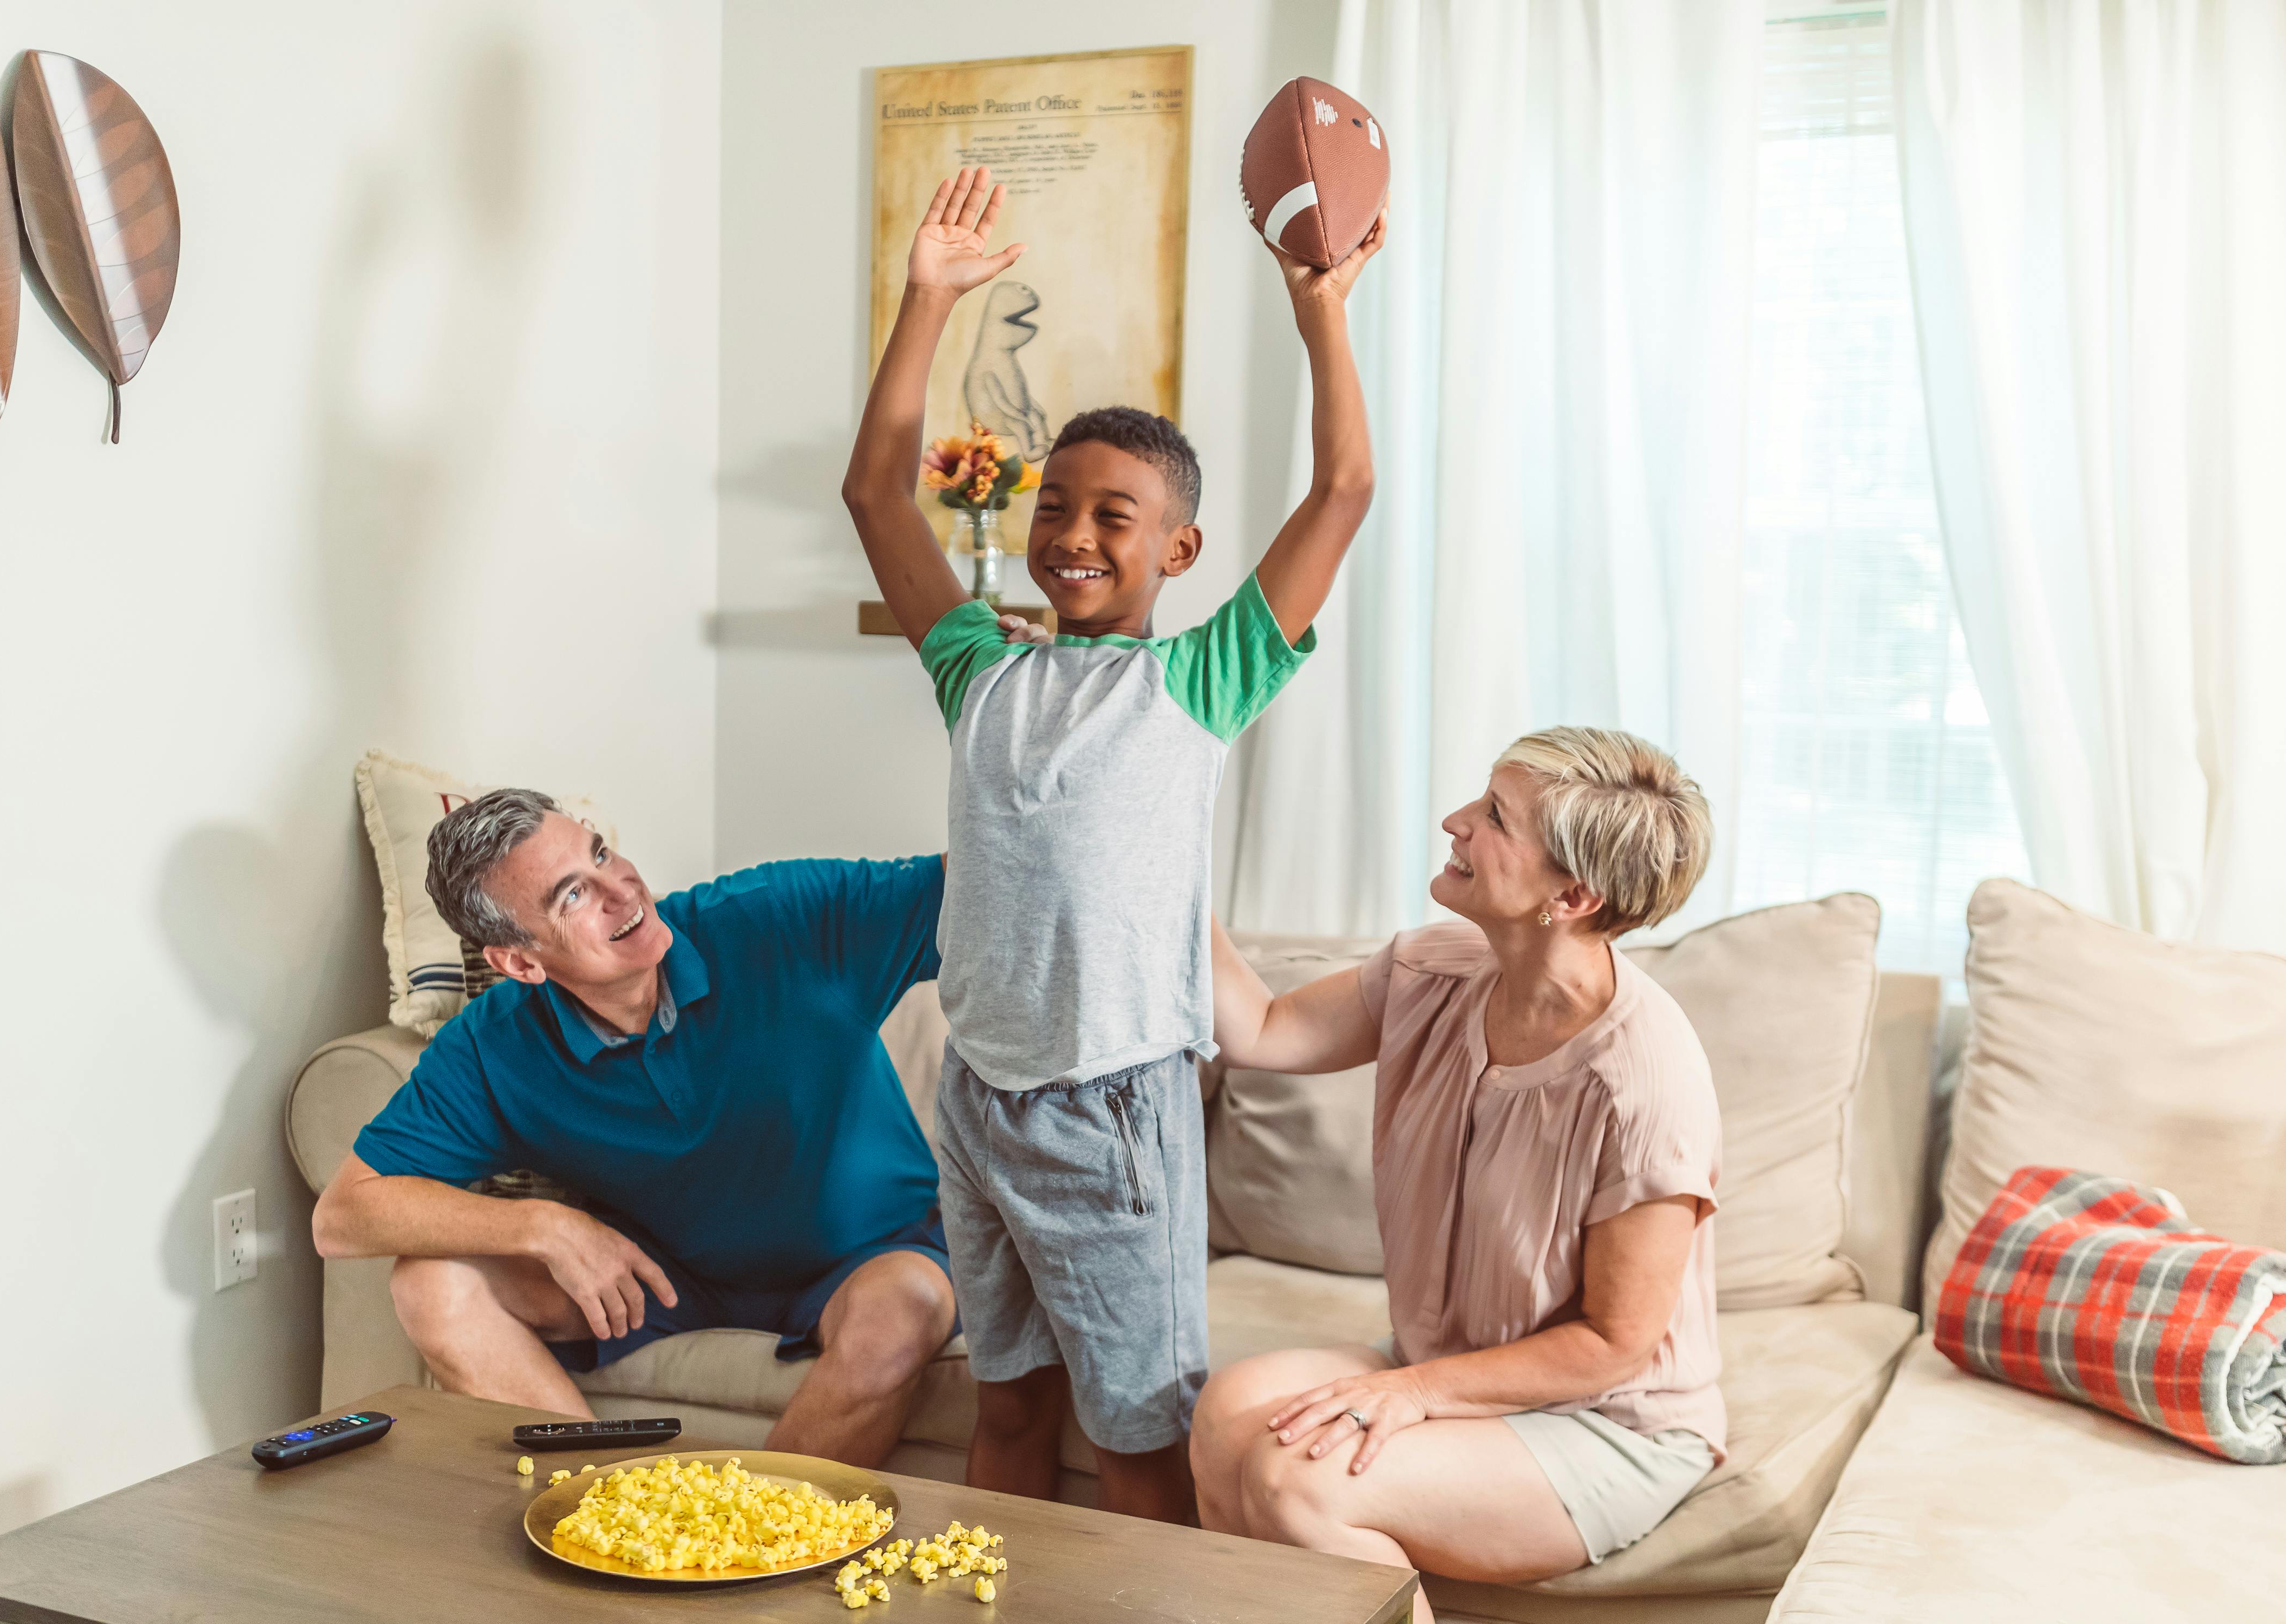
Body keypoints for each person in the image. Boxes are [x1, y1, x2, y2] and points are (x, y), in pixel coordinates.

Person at [840, 165, 1383, 1521]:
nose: (1072, 535)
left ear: (1179, 548)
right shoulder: (977, 665)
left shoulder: (1198, 682)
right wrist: (925, 301)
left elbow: (1342, 488)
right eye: (1054, 507)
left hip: (1110, 1106)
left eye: (1111, 517)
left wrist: (1318, 310)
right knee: (1008, 1402)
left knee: (1137, 1431)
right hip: (975, 1092)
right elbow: (871, 495)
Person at [1189, 728, 1722, 1621]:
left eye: (1493, 818)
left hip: (1606, 1421)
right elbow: (1261, 1031)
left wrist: (1415, 1392)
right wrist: (1164, 841)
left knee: (1299, 1483)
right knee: (1228, 1413)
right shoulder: (1435, 973)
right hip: (1453, 1364)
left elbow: (1616, 1344)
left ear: (1574, 894)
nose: (1455, 822)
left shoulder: (1642, 1084)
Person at [310, 790, 957, 1468]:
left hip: (871, 1253)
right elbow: (344, 1216)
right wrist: (547, 1227)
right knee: (431, 1284)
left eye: (601, 853)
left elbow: (978, 888)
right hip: (668, 1276)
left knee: (902, 1312)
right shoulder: (495, 1047)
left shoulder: (778, 917)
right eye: (573, 896)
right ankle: (611, 1511)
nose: (621, 890)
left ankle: (747, 1546)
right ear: (521, 964)